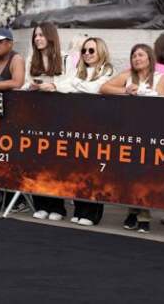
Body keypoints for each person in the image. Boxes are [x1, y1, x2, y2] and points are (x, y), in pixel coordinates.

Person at [100, 44, 164, 233]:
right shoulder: (127, 76)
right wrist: (126, 91)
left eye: (140, 55)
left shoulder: (160, 78)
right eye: (134, 56)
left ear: (149, 57)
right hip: (129, 130)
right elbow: (104, 88)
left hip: (151, 131)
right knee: (130, 172)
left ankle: (143, 215)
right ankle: (132, 211)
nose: (137, 59)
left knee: (146, 174)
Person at [55, 37, 115, 226]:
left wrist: (74, 85)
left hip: (98, 126)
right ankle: (80, 209)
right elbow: (64, 85)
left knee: (94, 170)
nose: (87, 54)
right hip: (77, 125)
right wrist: (63, 85)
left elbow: (96, 88)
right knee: (78, 170)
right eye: (84, 51)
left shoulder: (108, 70)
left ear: (101, 52)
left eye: (91, 51)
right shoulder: (79, 71)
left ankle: (92, 213)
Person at [23, 23, 71, 221]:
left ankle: (58, 207)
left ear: (50, 37)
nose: (37, 39)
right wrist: (32, 86)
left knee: (56, 162)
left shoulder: (65, 58)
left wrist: (54, 85)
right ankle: (40, 204)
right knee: (36, 160)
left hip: (58, 115)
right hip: (36, 115)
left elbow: (71, 82)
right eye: (35, 35)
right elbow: (24, 82)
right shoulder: (30, 59)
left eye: (41, 35)